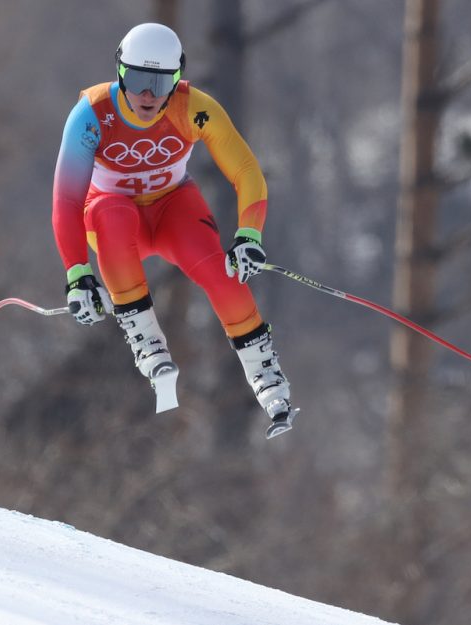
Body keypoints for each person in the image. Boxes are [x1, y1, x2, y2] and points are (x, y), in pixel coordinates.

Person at [50, 22, 297, 438]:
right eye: (138, 80)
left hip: (171, 209)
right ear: (120, 72)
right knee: (113, 213)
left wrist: (249, 235)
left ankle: (265, 372)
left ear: (178, 78)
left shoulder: (194, 107)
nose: (148, 95)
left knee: (221, 272)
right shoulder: (91, 115)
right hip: (111, 215)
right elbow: (67, 201)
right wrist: (77, 275)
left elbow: (246, 170)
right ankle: (145, 338)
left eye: (161, 82)